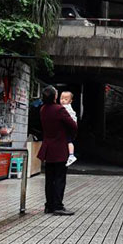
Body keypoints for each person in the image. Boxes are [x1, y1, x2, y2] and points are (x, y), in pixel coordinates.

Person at [37, 85, 77, 216]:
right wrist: (68, 136)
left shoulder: (42, 109)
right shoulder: (59, 109)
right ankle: (58, 206)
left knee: (49, 178)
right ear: (54, 97)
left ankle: (49, 205)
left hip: (48, 148)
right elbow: (73, 125)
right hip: (60, 148)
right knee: (59, 178)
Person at [59, 91, 77, 166]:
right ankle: (70, 155)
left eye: (65, 99)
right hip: (70, 127)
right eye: (61, 98)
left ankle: (71, 155)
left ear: (70, 101)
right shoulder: (66, 107)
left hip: (68, 128)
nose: (63, 100)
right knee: (68, 141)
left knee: (69, 141)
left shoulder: (65, 108)